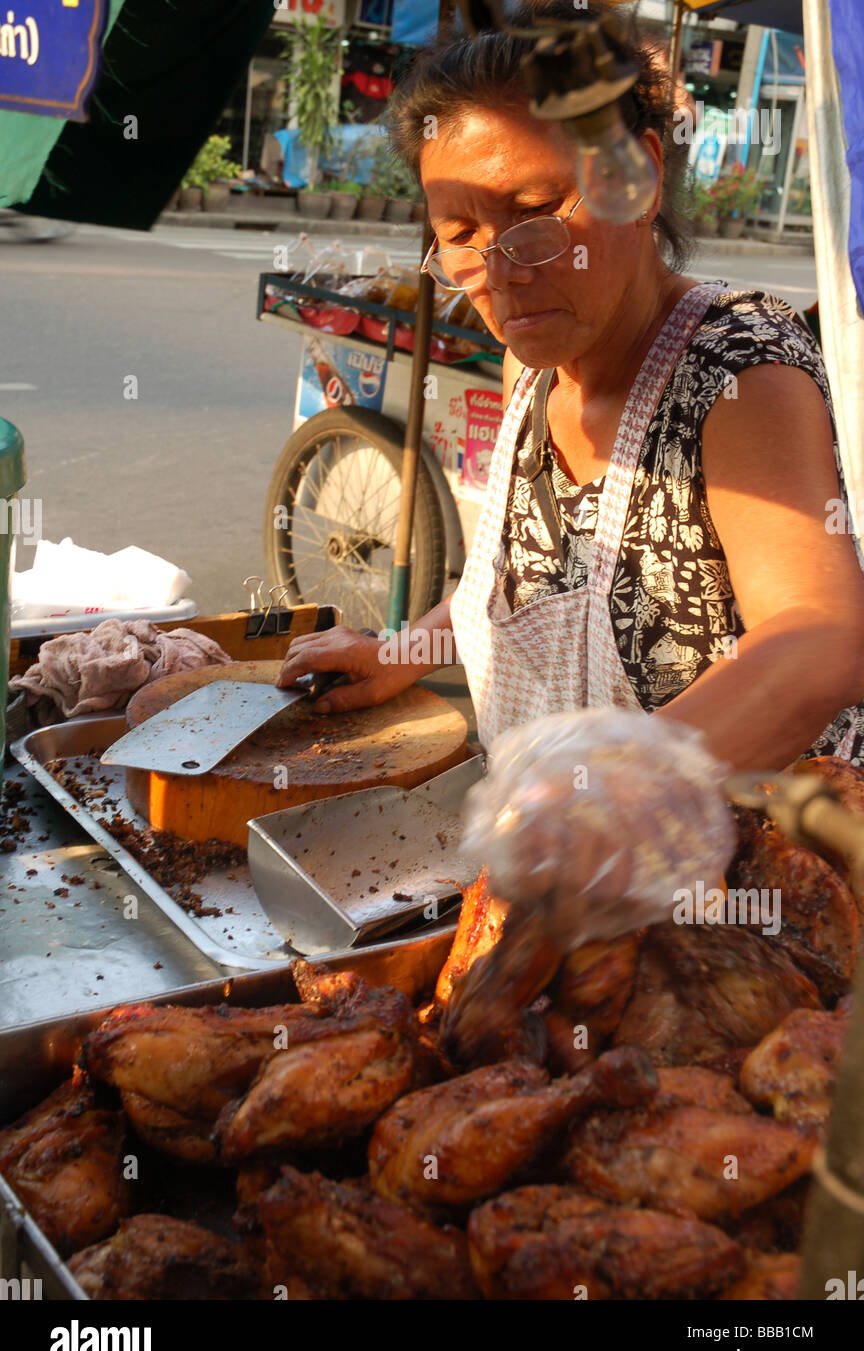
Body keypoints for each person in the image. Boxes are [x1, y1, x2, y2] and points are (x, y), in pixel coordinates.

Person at [277, 0, 864, 773]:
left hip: (749, 868)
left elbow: (821, 638)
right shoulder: (537, 367)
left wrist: (611, 784)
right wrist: (403, 652)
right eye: (459, 237)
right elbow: (516, 584)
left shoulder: (738, 369)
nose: (500, 276)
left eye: (535, 212)